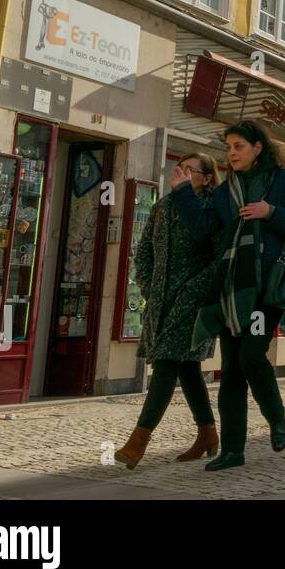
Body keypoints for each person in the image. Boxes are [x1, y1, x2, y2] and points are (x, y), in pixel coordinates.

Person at [168, 121, 285, 471]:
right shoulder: (224, 192)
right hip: (232, 289)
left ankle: (276, 417)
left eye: (239, 146)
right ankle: (232, 451)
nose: (231, 152)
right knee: (230, 370)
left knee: (251, 355)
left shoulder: (284, 181)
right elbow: (204, 232)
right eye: (228, 146)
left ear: (257, 148)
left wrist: (272, 213)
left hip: (267, 288)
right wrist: (184, 192)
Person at [114, 153, 221, 469]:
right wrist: (148, 285)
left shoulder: (212, 210)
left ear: (206, 178)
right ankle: (208, 433)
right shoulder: (162, 207)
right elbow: (143, 252)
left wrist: (193, 291)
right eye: (179, 168)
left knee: (165, 365)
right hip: (160, 301)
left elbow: (218, 260)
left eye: (190, 169)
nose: (182, 173)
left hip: (193, 303)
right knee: (186, 368)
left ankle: (138, 442)